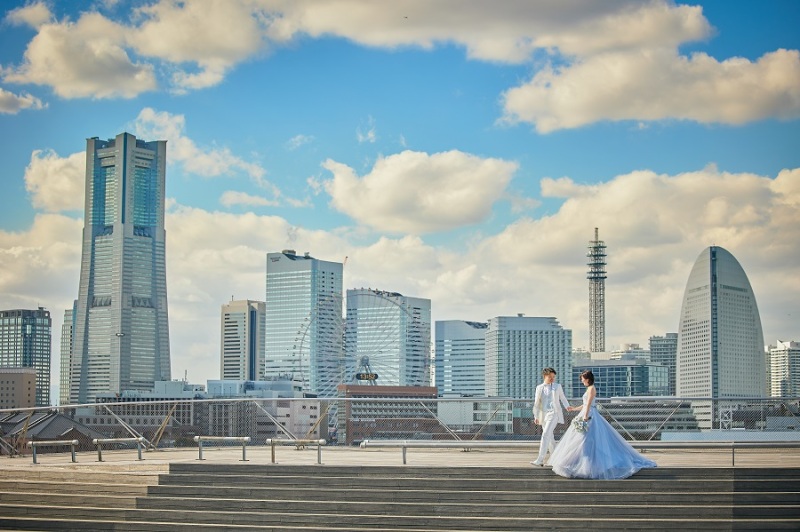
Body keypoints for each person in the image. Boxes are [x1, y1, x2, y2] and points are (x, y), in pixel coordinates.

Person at [548, 370, 657, 479]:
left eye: (583, 379)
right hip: (586, 413)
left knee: (586, 439)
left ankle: (588, 464)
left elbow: (589, 404)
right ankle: (580, 462)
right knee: (583, 439)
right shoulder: (589, 389)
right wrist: (574, 409)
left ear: (587, 379)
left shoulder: (591, 389)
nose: (582, 381)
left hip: (589, 415)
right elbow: (585, 404)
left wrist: (585, 417)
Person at [531, 367, 571, 466]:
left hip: (554, 413)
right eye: (550, 377)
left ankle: (540, 460)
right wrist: (536, 416)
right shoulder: (539, 388)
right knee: (550, 438)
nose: (552, 379)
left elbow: (562, 398)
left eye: (553, 377)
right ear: (545, 376)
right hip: (543, 415)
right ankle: (555, 459)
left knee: (545, 435)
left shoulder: (557, 386)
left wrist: (568, 407)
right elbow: (537, 403)